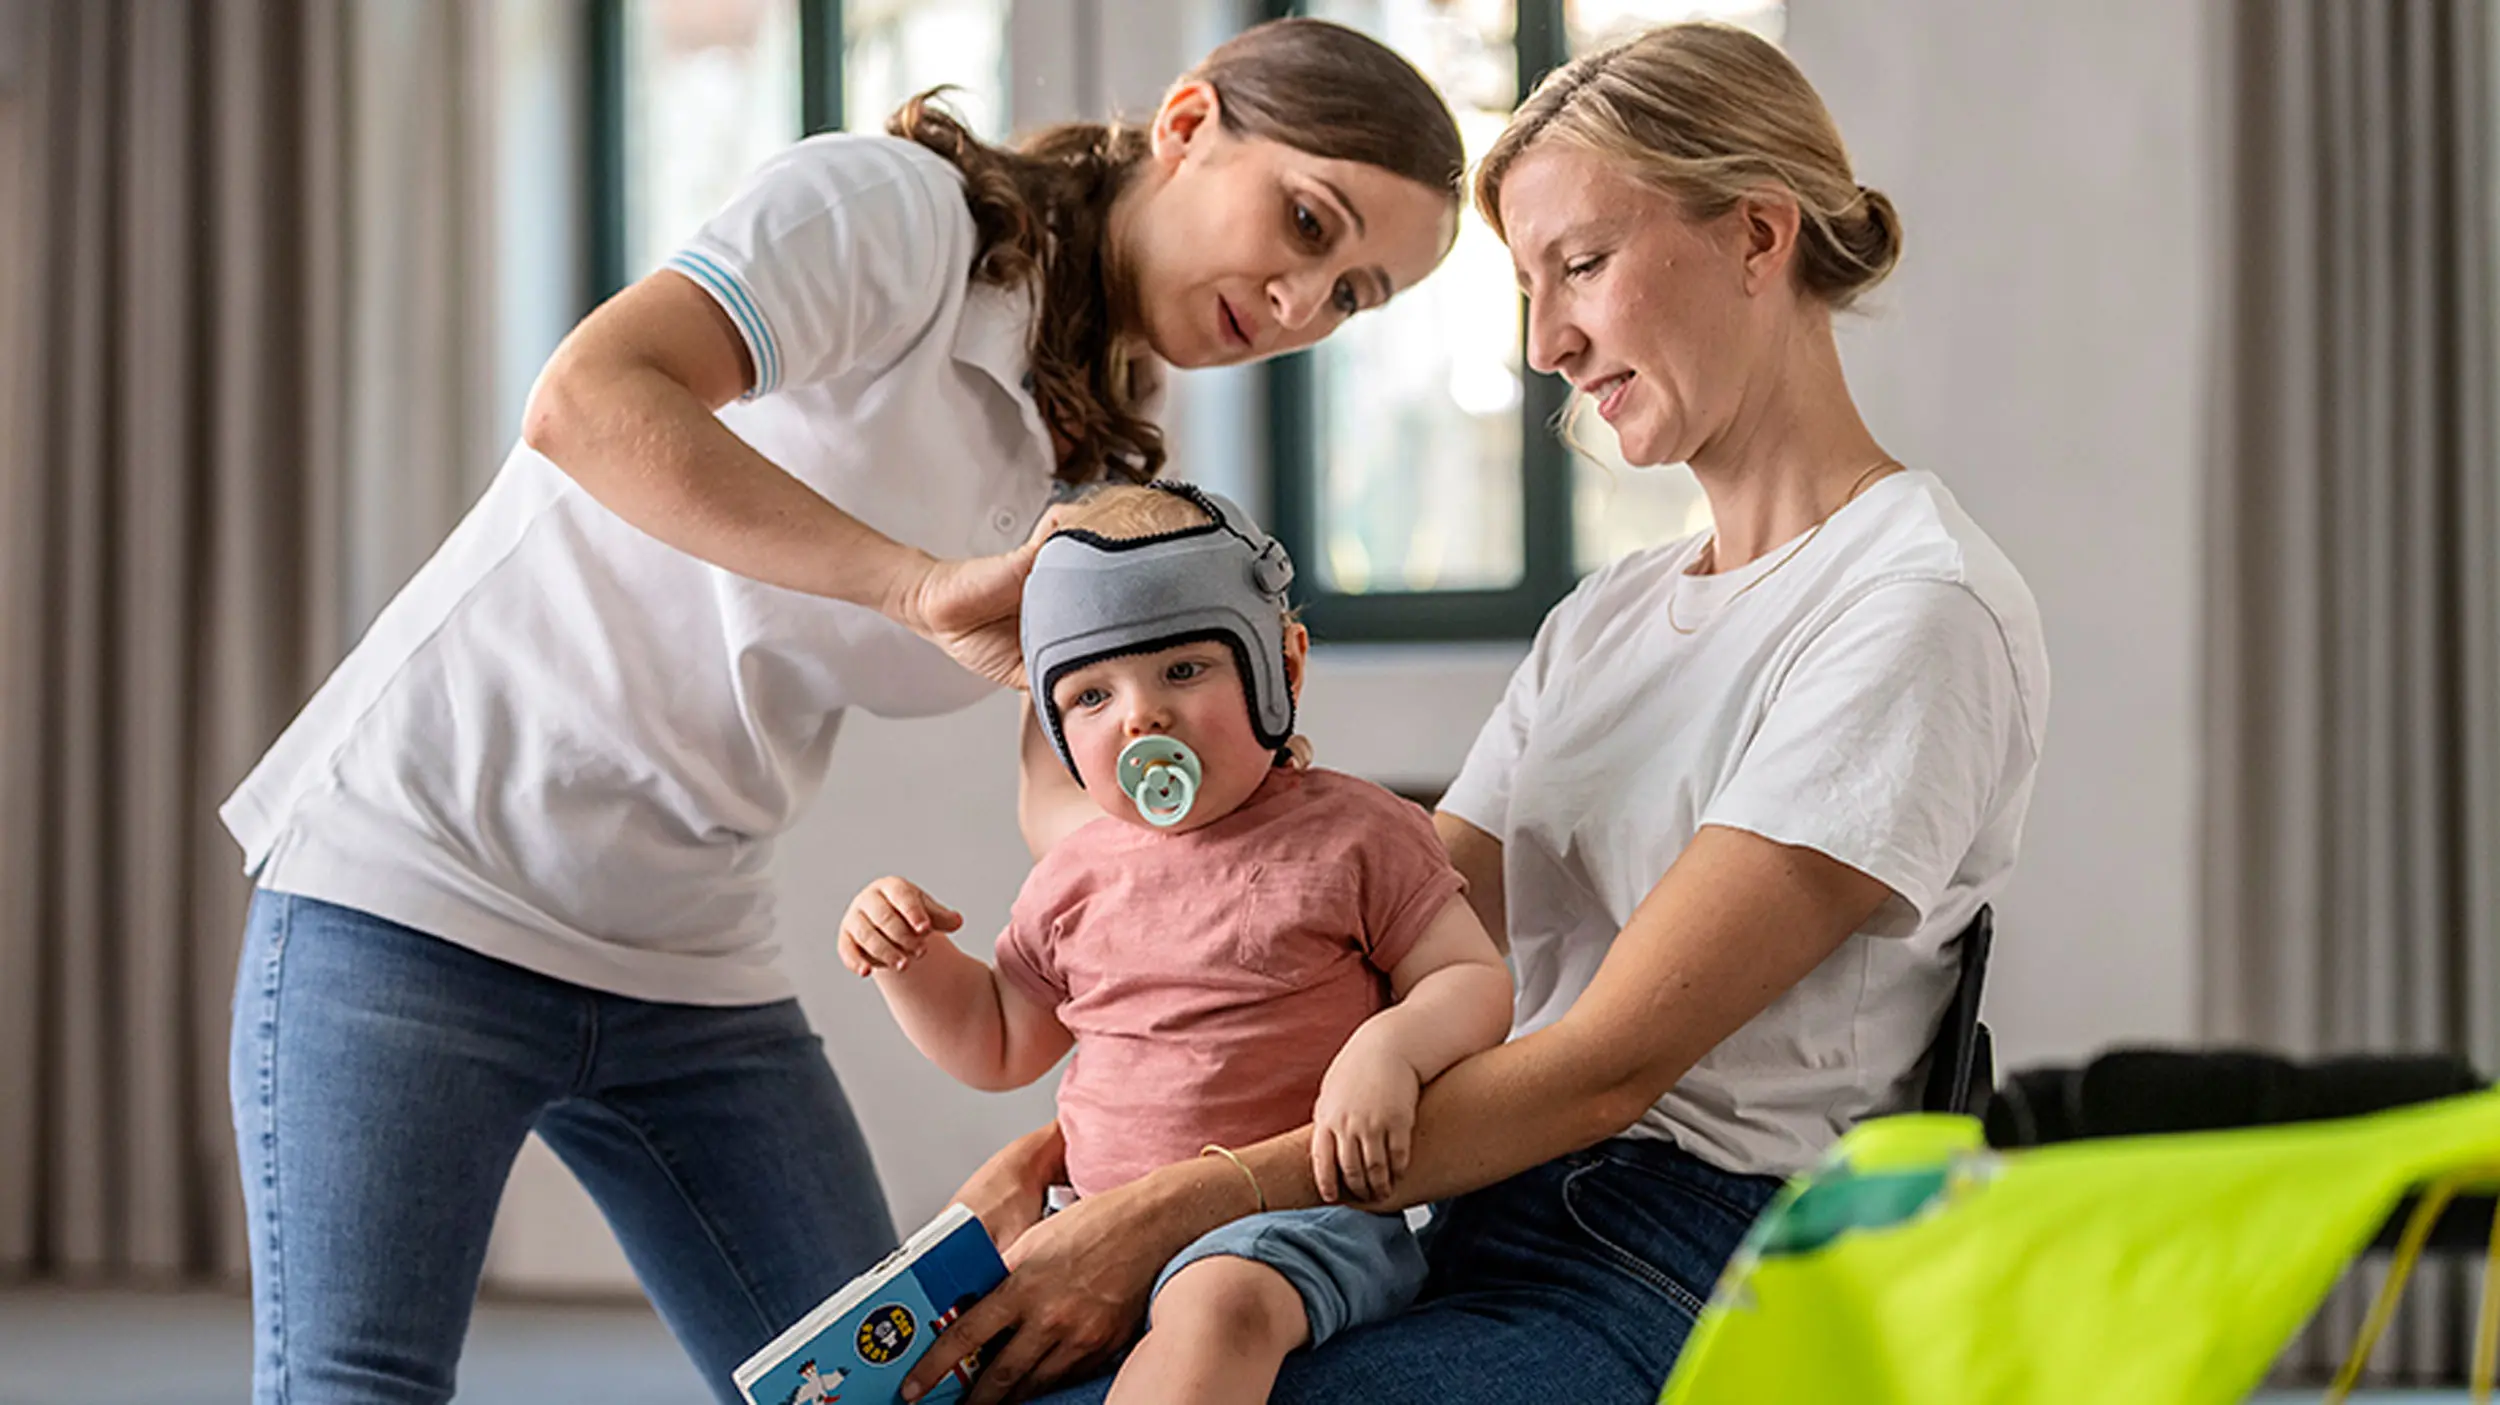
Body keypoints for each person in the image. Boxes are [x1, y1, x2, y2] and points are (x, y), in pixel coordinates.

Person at [216, 19, 1464, 1405]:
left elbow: (1077, 801)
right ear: (1185, 126)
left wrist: (1245, 859)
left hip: (689, 943)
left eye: (1352, 294)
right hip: (424, 872)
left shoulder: (1090, 465)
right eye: (1305, 224)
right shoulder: (897, 214)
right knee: (356, 1384)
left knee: (884, 1387)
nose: (1301, 305)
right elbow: (586, 400)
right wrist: (910, 583)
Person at [899, 22, 2051, 1405]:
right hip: (1470, 1202)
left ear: (1757, 235)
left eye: (1580, 265)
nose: (1546, 342)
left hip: (1691, 1257)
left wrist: (1160, 1212)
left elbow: (1604, 1070)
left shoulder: (1909, 604)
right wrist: (1091, 1156)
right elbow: (1379, 914)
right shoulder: (1610, 617)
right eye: (1526, 285)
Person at [840, 482, 1513, 1404]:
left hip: (1296, 1220)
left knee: (1215, 1306)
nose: (1139, 717)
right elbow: (998, 1040)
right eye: (1091, 693)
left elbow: (1470, 976)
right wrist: (909, 961)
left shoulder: (1359, 832)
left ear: (1283, 668)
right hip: (1098, 1221)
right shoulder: (1074, 876)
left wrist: (1390, 1048)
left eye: (1184, 670)